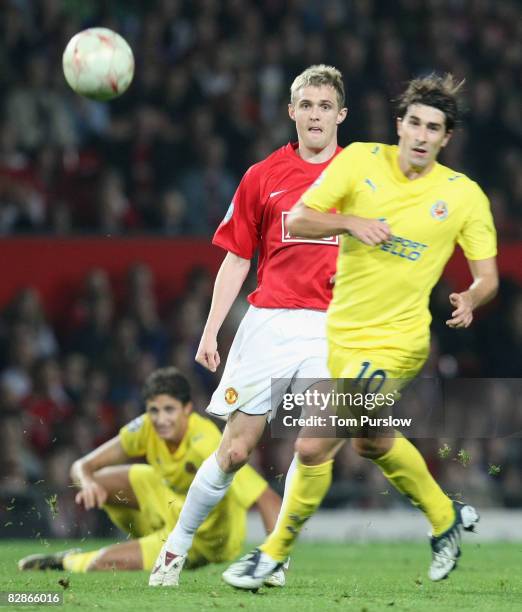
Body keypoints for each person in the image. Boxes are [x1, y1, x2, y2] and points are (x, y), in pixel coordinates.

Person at [223, 73, 499, 588]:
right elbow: (298, 220)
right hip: (340, 336)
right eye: (413, 122)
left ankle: (272, 555)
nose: (420, 135)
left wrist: (470, 297)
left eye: (433, 128)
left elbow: (487, 276)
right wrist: (349, 223)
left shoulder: (463, 197)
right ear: (399, 125)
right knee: (371, 442)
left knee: (310, 445)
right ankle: (445, 520)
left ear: (446, 139)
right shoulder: (358, 163)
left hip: (397, 342)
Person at [149, 64, 386, 587]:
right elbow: (236, 258)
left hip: (334, 328)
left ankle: (275, 553)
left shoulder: (365, 175)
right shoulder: (262, 176)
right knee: (235, 450)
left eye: (326, 106)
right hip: (271, 322)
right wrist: (210, 331)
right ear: (291, 112)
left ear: (341, 114)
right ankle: (176, 546)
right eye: (307, 105)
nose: (316, 115)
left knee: (313, 441)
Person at [18, 367, 283, 584]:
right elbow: (82, 466)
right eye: (154, 410)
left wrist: (274, 559)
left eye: (169, 410)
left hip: (207, 538)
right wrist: (87, 484)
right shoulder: (146, 427)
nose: (160, 419)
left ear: (187, 409)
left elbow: (267, 498)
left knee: (101, 564)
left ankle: (66, 560)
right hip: (168, 505)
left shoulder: (206, 443)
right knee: (100, 480)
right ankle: (144, 542)